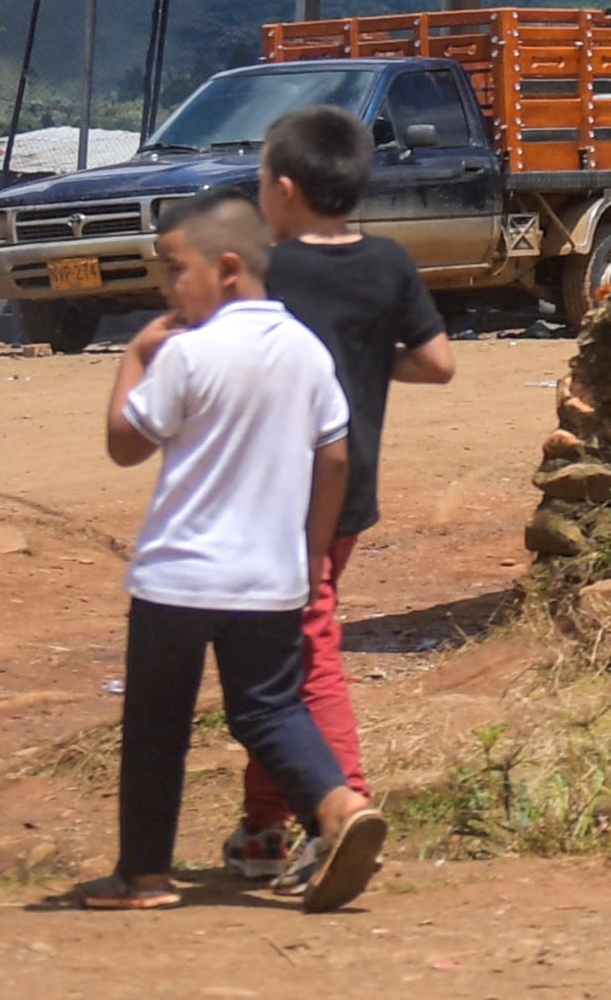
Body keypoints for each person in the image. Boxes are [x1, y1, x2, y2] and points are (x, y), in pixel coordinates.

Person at [86, 194, 383, 914]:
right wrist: (310, 556)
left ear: (224, 268)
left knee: (157, 725)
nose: (164, 289)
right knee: (271, 709)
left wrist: (135, 353)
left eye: (171, 269)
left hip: (178, 580)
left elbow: (126, 443)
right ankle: (340, 808)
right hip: (270, 579)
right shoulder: (307, 350)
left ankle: (145, 877)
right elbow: (335, 461)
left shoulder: (188, 350)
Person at [213, 105, 452, 890]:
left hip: (276, 498)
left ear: (283, 190)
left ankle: (343, 806)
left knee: (304, 652)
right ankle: (261, 829)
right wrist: (363, 365)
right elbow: (438, 362)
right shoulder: (388, 264)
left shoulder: (267, 271)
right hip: (347, 495)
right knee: (273, 659)